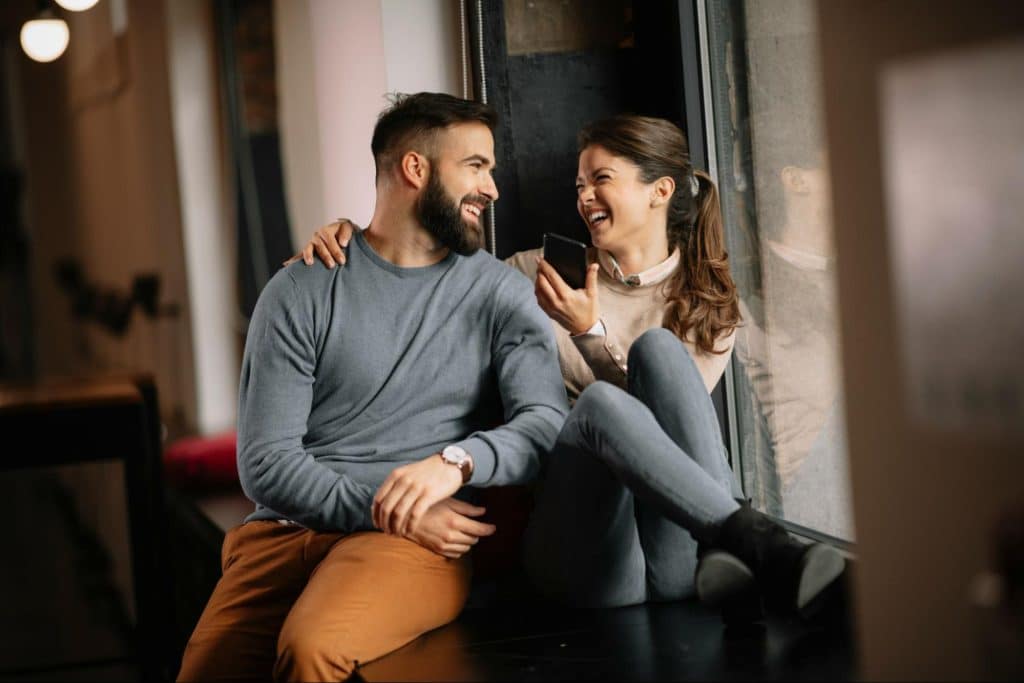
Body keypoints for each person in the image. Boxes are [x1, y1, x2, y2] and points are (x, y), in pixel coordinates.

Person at [294, 115, 844, 620]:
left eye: (601, 179)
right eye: (579, 185)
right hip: (586, 553)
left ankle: (740, 543)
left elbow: (667, 439)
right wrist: (353, 238)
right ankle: (757, 542)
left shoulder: (709, 302)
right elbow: (423, 272)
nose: (585, 197)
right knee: (601, 406)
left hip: (676, 551)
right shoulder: (532, 275)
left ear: (660, 191)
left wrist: (589, 337)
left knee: (659, 351)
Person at [177, 92, 568, 682]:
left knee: (312, 648)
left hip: (409, 546)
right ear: (415, 169)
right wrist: (386, 509)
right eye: (476, 167)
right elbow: (264, 462)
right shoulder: (300, 289)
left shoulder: (500, 295)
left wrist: (456, 463)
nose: (493, 189)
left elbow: (543, 424)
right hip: (284, 535)